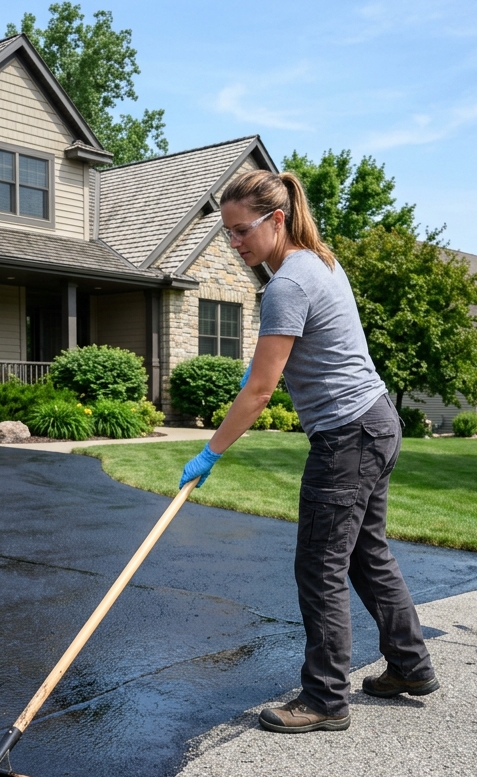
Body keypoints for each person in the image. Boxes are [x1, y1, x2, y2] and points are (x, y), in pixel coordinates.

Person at [179, 170, 438, 733]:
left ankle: (324, 699)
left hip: (347, 436)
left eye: (242, 230)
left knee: (320, 565)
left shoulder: (288, 282)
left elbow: (260, 391)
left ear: (276, 219)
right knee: (367, 554)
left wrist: (210, 452)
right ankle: (410, 665)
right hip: (375, 423)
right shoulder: (319, 261)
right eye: (227, 233)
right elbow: (282, 355)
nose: (235, 243)